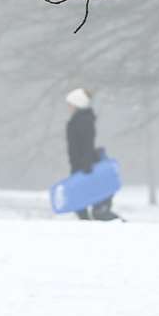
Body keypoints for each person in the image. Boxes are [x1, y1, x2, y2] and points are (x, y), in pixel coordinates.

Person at [65, 87, 119, 221]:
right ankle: (89, 226)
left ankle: (118, 225)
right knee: (81, 205)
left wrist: (85, 165)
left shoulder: (83, 121)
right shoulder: (78, 120)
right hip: (80, 165)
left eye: (70, 104)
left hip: (84, 167)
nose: (68, 107)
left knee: (88, 206)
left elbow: (86, 145)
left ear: (77, 104)